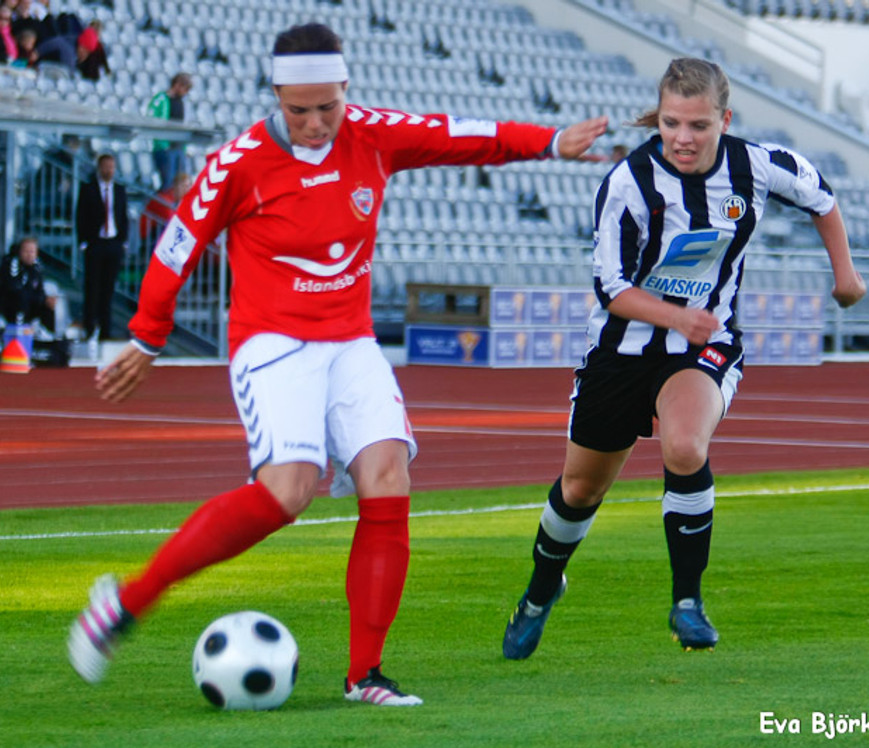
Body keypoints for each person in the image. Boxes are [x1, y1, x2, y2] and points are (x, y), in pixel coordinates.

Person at [66, 21, 609, 706]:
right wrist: (147, 336)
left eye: (329, 105)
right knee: (288, 492)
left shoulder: (372, 135)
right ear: (276, 96)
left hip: (351, 341)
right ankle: (127, 602)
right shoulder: (237, 163)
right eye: (301, 110)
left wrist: (549, 142)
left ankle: (365, 675)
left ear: (346, 88)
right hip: (273, 343)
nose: (317, 122)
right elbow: (178, 244)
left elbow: (458, 135)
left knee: (389, 476)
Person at [501, 57, 866, 661]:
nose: (683, 138)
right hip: (622, 351)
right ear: (660, 119)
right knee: (580, 489)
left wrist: (846, 274)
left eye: (698, 125)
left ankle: (688, 602)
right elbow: (611, 288)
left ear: (725, 120)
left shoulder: (756, 165)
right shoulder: (629, 182)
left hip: (705, 343)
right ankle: (541, 592)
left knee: (686, 446)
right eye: (672, 123)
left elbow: (821, 198)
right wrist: (674, 317)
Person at [75, 152, 128, 341]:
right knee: (92, 287)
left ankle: (105, 330)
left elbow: (123, 216)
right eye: (106, 167)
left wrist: (123, 240)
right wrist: (83, 241)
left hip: (113, 243)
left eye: (111, 167)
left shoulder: (120, 190)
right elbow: (81, 215)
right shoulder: (88, 188)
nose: (108, 170)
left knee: (108, 288)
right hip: (95, 243)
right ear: (99, 168)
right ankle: (89, 327)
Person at [0, 236, 56, 332]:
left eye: (32, 252)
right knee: (21, 296)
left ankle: (48, 332)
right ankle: (18, 330)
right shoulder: (12, 264)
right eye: (26, 251)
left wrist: (45, 300)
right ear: (20, 252)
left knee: (50, 303)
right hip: (7, 304)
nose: (29, 255)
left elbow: (39, 289)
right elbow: (13, 287)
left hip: (28, 303)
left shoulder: (36, 267)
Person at [146, 72, 193, 189]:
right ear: (177, 85)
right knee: (168, 183)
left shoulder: (181, 102)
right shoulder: (161, 99)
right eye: (185, 89)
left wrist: (184, 148)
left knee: (180, 184)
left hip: (179, 148)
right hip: (165, 149)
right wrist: (163, 144)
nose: (186, 93)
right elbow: (152, 120)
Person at [138, 171, 191, 248]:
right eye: (184, 186)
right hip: (149, 237)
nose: (186, 190)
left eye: (188, 186)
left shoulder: (176, 201)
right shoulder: (163, 200)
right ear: (175, 186)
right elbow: (171, 220)